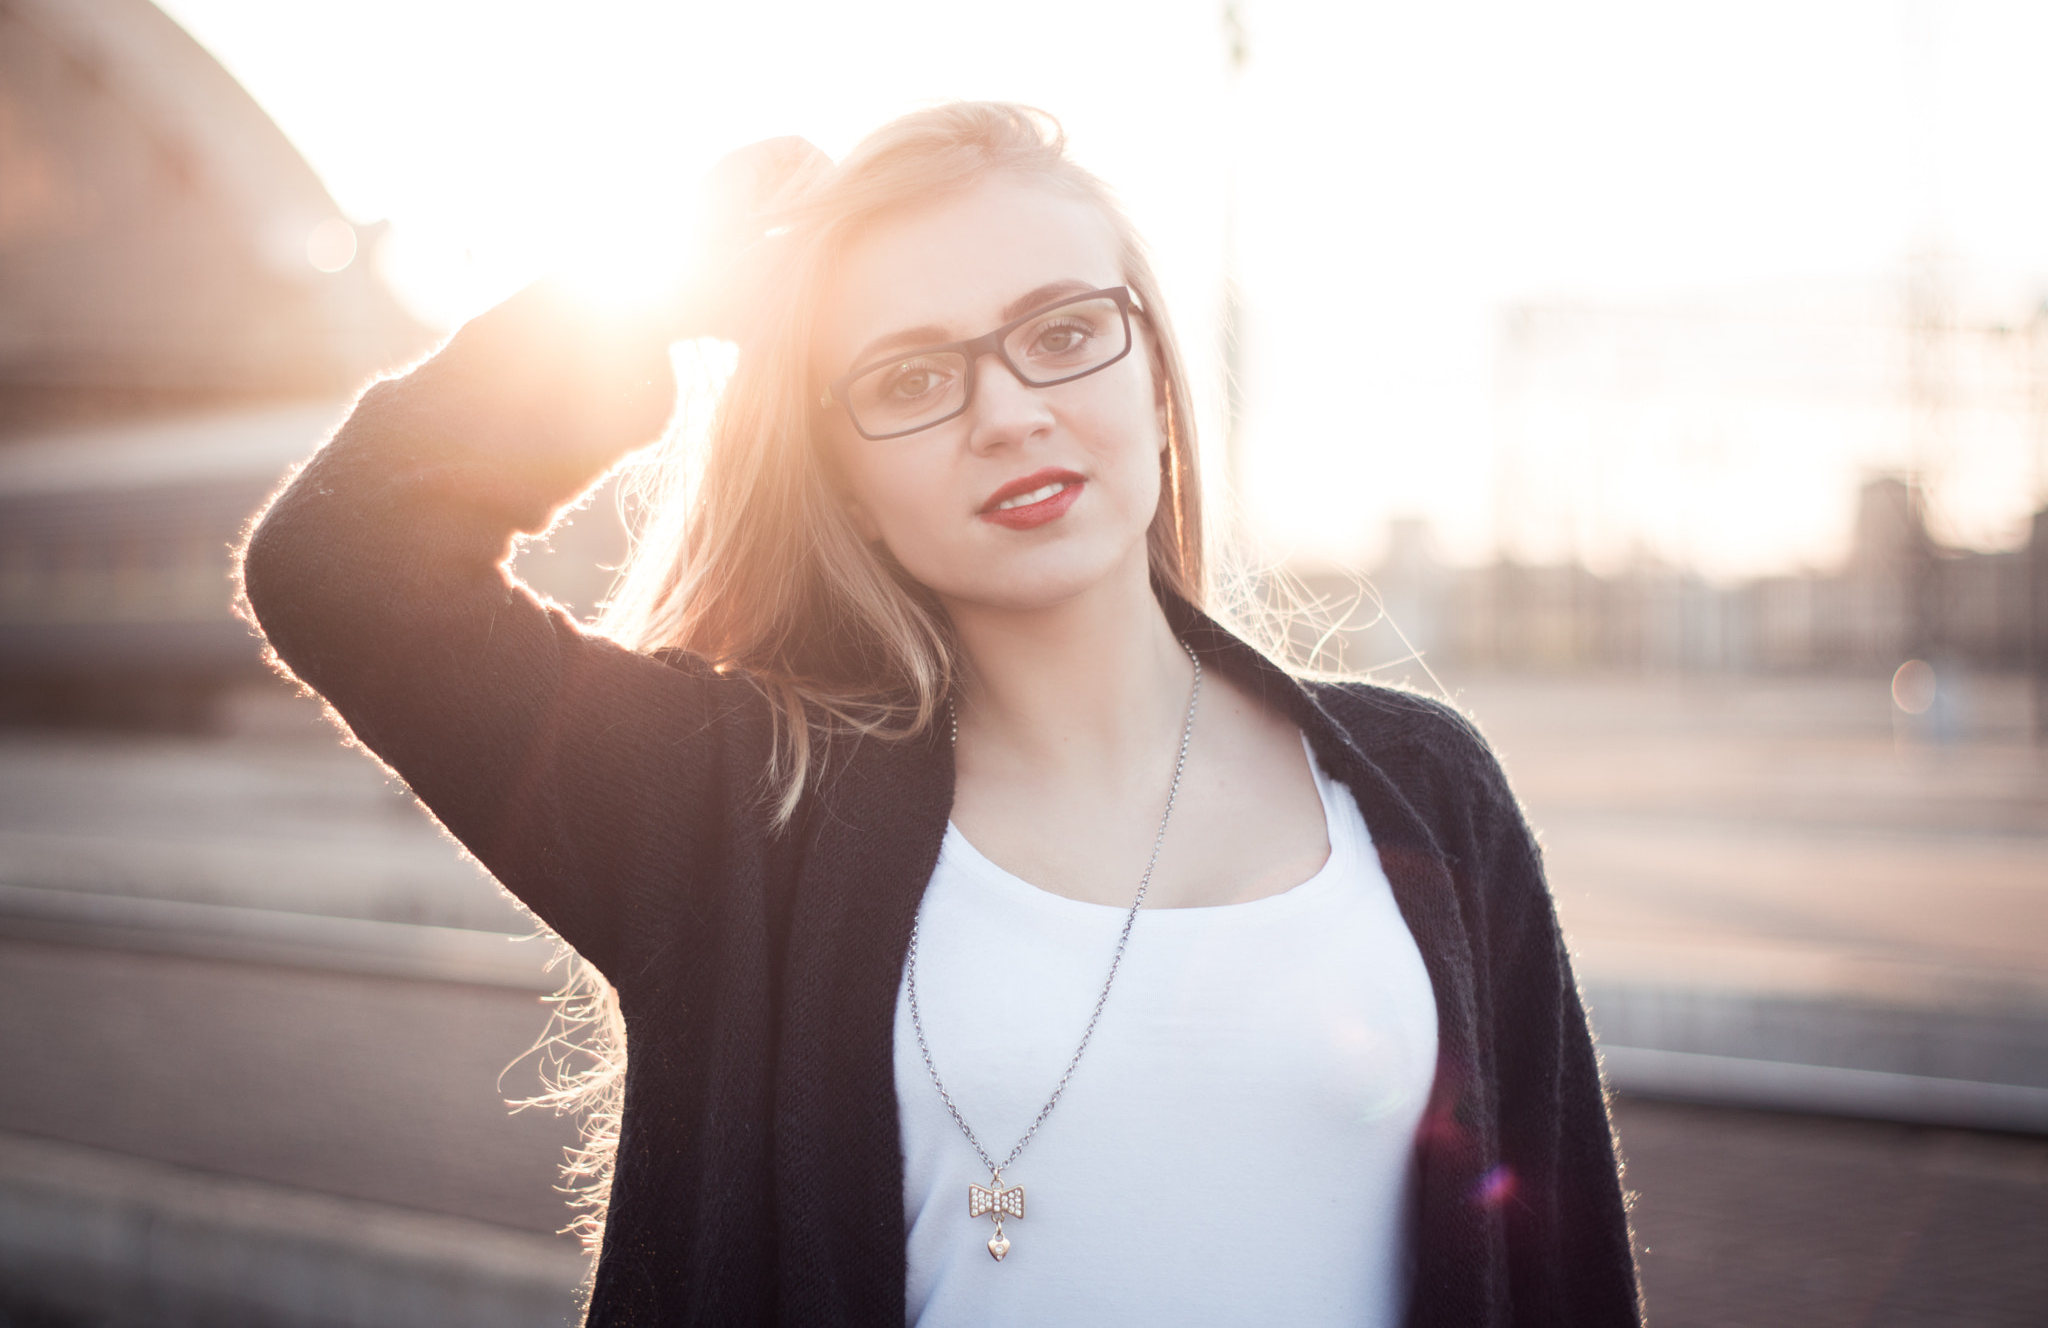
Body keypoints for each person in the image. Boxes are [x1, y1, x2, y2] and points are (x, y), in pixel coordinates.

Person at [241, 102, 1639, 1327]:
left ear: (1155, 380)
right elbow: (340, 568)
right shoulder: (737, 804)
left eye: (1065, 332)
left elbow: (1563, 1267)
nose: (1011, 411)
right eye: (912, 378)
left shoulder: (1423, 787)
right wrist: (637, 303)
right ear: (839, 472)